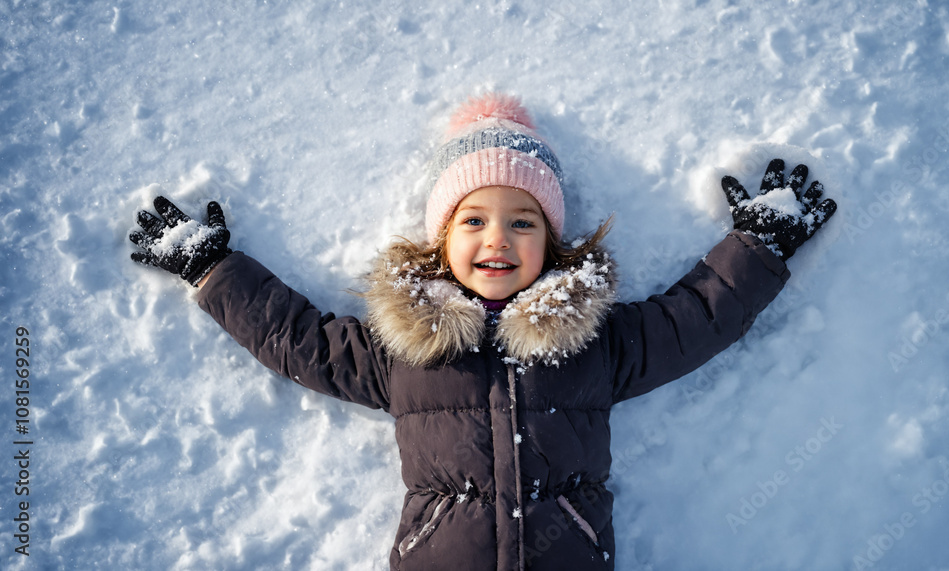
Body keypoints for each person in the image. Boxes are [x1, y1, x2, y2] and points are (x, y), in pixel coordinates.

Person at [128, 93, 836, 570]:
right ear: (441, 240)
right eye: (473, 219)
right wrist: (214, 271)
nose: (497, 237)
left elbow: (694, 320)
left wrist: (757, 248)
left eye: (522, 220)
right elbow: (300, 341)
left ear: (551, 243)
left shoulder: (592, 339)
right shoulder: (404, 344)